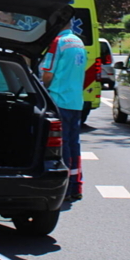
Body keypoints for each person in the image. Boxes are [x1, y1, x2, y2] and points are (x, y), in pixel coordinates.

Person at [39, 20, 87, 204]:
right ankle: (76, 186)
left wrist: (41, 87)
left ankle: (64, 188)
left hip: (59, 98)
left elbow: (48, 74)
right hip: (75, 100)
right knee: (73, 144)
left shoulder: (57, 42)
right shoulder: (78, 41)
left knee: (61, 145)